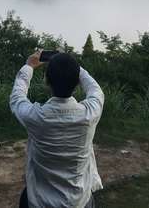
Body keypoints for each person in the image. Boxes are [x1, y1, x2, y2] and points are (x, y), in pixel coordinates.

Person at [10, 50, 104, 208]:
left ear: (47, 81)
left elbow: (17, 97)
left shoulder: (35, 117)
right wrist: (71, 65)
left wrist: (29, 66)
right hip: (79, 202)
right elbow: (95, 89)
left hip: (39, 202)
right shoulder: (89, 113)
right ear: (77, 83)